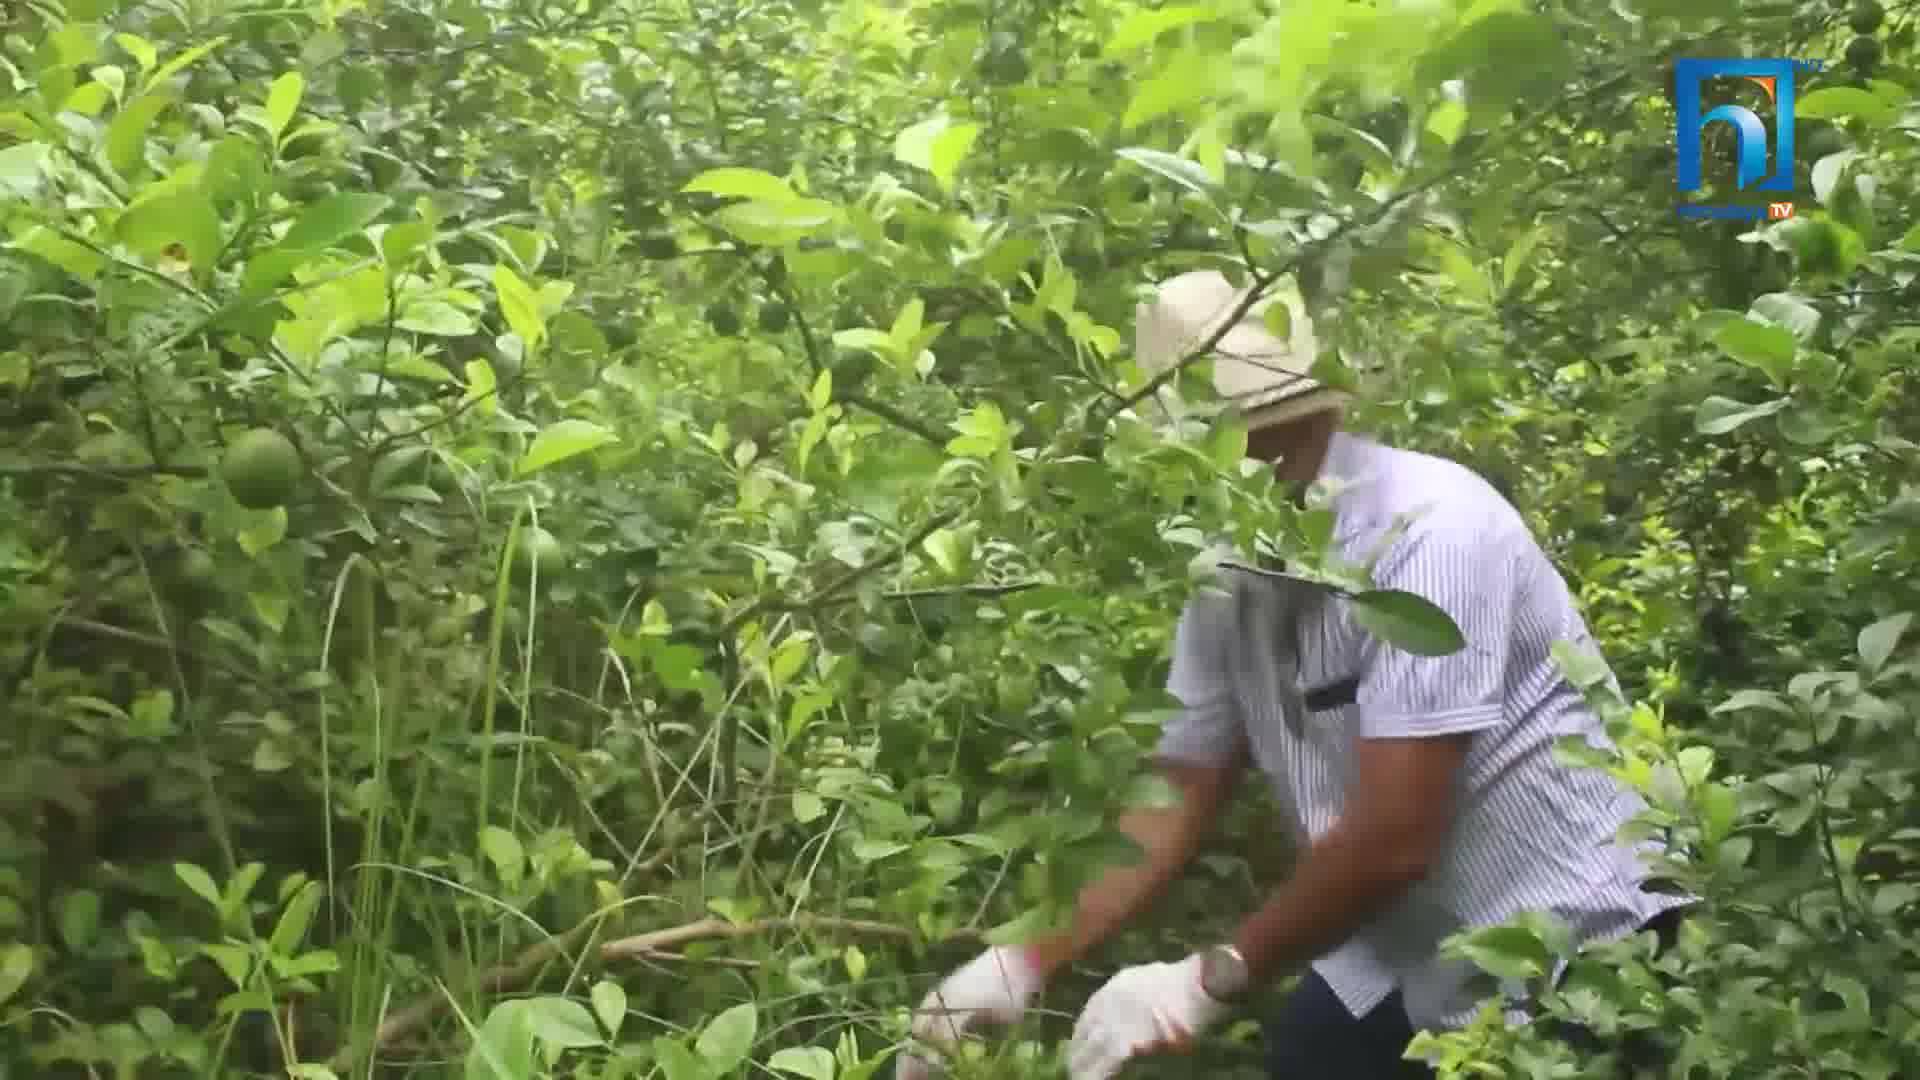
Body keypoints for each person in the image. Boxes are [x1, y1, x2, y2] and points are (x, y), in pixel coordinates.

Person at [893, 270, 1694, 1080]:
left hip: (1564, 934)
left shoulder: (1430, 534)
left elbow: (1393, 838)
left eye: (1277, 423)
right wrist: (1024, 960)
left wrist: (1210, 977)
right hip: (1401, 943)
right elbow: (1175, 785)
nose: (1267, 445)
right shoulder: (1225, 568)